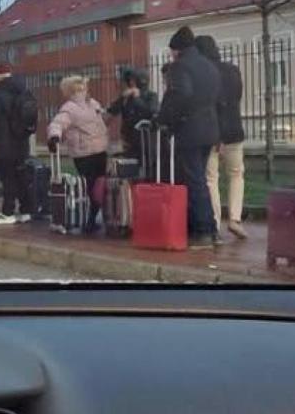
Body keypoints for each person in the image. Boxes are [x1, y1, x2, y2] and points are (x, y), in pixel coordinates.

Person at [156, 26, 222, 249]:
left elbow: (180, 94)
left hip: (190, 130)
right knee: (200, 179)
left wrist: (164, 119)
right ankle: (212, 230)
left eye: (172, 51)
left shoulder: (180, 67)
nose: (171, 55)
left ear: (177, 49)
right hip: (210, 129)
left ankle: (203, 231)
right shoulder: (208, 66)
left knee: (194, 181)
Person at [195, 35, 249, 241]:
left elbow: (209, 105)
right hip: (235, 130)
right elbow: (236, 98)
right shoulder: (233, 70)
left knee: (211, 179)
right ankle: (235, 219)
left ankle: (215, 223)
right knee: (236, 174)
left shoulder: (205, 74)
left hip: (213, 134)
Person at [47, 76, 109, 234]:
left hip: (95, 151)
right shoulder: (73, 107)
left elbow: (57, 124)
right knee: (91, 186)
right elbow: (58, 123)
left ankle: (91, 217)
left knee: (95, 186)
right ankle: (90, 218)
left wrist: (55, 136)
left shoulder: (91, 104)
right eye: (79, 88)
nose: (83, 91)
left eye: (83, 87)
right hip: (87, 153)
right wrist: (54, 136)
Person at [0, 64, 34, 225]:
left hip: (3, 142)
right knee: (21, 176)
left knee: (8, 178)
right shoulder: (24, 90)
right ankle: (26, 211)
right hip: (21, 141)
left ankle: (8, 212)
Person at [106, 68, 158, 168]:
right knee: (131, 164)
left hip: (145, 137)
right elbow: (113, 109)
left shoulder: (151, 96)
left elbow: (150, 111)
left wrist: (137, 98)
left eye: (133, 80)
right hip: (129, 136)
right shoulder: (127, 96)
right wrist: (123, 97)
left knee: (147, 163)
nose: (131, 83)